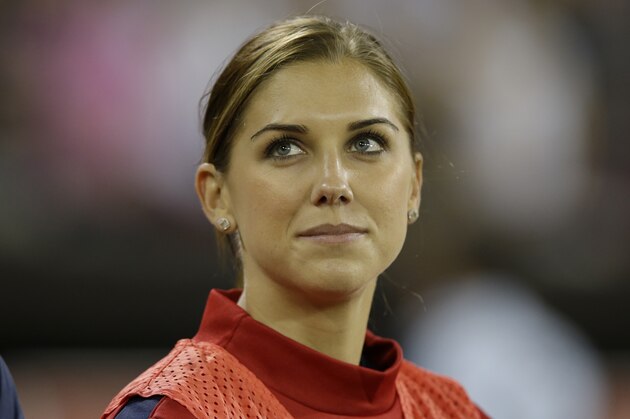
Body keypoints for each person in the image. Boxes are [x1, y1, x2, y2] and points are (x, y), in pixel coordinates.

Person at [102, 15, 488, 418]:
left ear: (414, 184)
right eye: (286, 148)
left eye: (367, 143)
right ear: (217, 197)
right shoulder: (172, 413)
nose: (334, 184)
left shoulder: (454, 411)